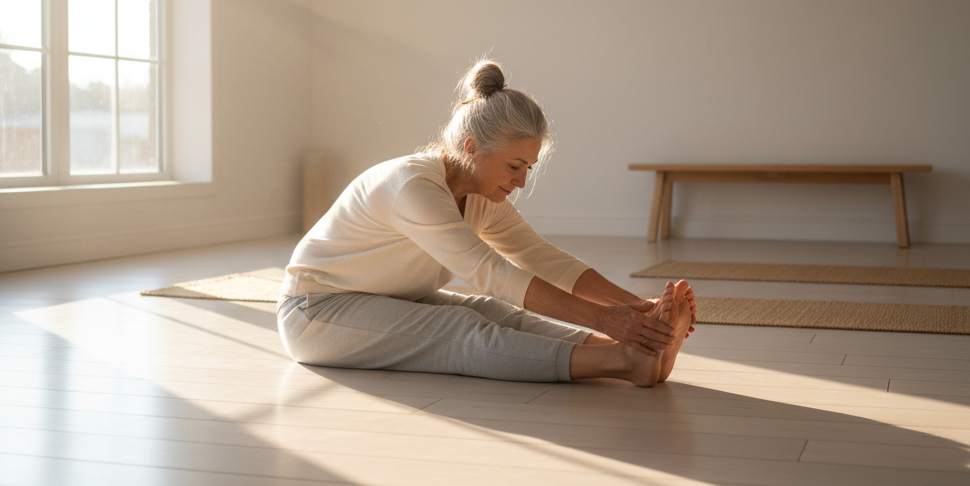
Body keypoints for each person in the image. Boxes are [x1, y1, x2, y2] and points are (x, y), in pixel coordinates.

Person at [278, 61, 696, 387]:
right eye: (515, 165)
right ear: (472, 148)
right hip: (318, 311)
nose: (522, 181)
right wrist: (605, 318)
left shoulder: (481, 196)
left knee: (493, 313)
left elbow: (539, 257)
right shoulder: (412, 187)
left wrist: (634, 310)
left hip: (391, 298)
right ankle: (622, 361)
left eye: (529, 167)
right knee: (461, 326)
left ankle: (635, 351)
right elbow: (491, 272)